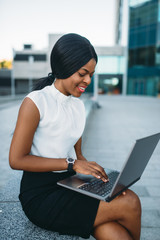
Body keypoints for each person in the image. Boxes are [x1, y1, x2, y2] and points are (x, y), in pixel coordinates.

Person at [9, 33, 141, 240]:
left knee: (113, 231)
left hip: (70, 183)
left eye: (91, 74)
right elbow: (16, 160)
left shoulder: (78, 107)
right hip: (41, 195)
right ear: (65, 67)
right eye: (83, 73)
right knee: (130, 202)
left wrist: (101, 179)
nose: (88, 80)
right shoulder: (36, 102)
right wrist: (72, 164)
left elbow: (78, 155)